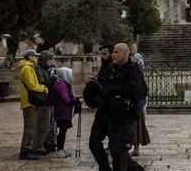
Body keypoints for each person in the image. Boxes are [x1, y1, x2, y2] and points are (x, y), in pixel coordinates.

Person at [88, 43, 145, 171]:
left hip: (126, 115)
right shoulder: (112, 70)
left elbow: (132, 88)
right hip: (108, 114)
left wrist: (111, 90)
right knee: (94, 142)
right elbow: (103, 91)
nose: (113, 55)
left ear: (124, 54)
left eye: (116, 52)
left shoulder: (134, 70)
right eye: (112, 52)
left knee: (119, 151)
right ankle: (105, 168)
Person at [18, 49, 49, 161]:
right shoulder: (27, 69)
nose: (37, 58)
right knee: (30, 126)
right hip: (29, 102)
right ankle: (25, 150)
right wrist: (43, 88)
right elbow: (32, 85)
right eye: (35, 56)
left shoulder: (29, 68)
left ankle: (29, 149)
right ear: (30, 57)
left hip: (31, 102)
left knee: (32, 125)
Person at [53, 67, 83, 158]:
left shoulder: (64, 84)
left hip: (65, 112)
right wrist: (77, 100)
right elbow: (66, 99)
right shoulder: (61, 85)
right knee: (62, 131)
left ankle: (61, 148)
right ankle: (59, 149)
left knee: (63, 130)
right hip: (62, 112)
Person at [130, 44, 150, 157]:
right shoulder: (138, 75)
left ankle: (136, 149)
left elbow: (141, 91)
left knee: (136, 126)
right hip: (137, 103)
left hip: (137, 104)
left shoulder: (137, 76)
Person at [36, 51, 57, 154]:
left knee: (47, 125)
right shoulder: (39, 69)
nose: (51, 61)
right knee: (42, 125)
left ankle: (42, 145)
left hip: (48, 100)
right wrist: (53, 78)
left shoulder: (46, 69)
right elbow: (43, 83)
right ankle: (38, 146)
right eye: (49, 59)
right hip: (42, 100)